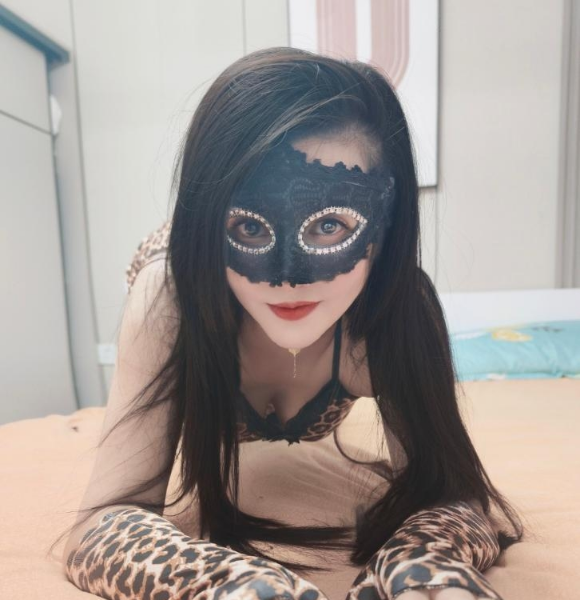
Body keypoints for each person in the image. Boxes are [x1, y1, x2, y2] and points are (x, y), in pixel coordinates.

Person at [52, 47, 526, 600]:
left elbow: (449, 492)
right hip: (185, 279)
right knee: (167, 288)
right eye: (249, 228)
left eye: (330, 225)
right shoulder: (169, 299)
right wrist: (234, 583)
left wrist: (422, 568)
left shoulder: (393, 315)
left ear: (387, 221)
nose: (287, 280)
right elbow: (102, 518)